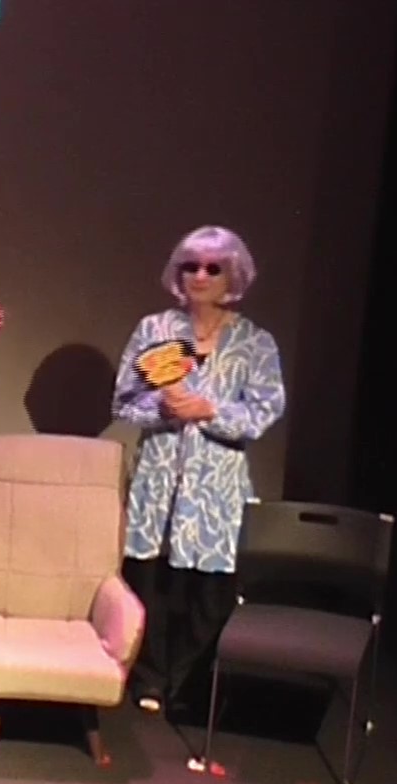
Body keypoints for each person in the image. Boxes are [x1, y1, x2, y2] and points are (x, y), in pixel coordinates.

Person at [111, 225, 287, 715]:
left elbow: (264, 411)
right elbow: (124, 402)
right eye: (191, 266)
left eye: (213, 268)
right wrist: (165, 409)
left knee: (208, 594)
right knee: (150, 583)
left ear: (233, 275)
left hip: (216, 488)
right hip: (159, 480)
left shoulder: (256, 342)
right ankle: (148, 680)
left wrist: (210, 410)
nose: (201, 276)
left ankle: (188, 686)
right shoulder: (154, 331)